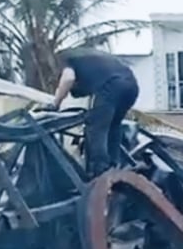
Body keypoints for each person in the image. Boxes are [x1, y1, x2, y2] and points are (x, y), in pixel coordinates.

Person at [45, 47, 139, 177]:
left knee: (96, 128)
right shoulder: (85, 58)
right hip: (131, 86)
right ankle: (114, 165)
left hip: (113, 86)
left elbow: (68, 79)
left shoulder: (64, 58)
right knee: (113, 126)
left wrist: (55, 104)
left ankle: (99, 171)